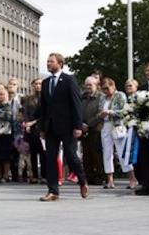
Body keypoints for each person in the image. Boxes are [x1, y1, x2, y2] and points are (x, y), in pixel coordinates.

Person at [31, 53, 89, 201]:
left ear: (60, 63)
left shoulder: (69, 80)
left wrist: (78, 126)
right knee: (50, 158)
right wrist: (42, 128)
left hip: (68, 127)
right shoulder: (45, 83)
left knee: (71, 156)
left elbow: (76, 104)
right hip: (50, 127)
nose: (48, 64)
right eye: (47, 61)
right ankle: (53, 191)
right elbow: (43, 107)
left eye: (51, 61)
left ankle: (82, 181)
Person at [98, 77, 135, 189]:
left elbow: (124, 111)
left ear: (113, 85)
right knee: (107, 153)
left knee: (122, 152)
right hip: (105, 126)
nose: (105, 91)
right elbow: (99, 111)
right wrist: (101, 115)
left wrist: (110, 112)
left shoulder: (120, 95)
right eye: (103, 89)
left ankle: (132, 178)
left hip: (117, 126)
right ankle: (110, 180)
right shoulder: (102, 98)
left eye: (107, 88)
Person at [0, 84, 17, 183]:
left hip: (5, 134)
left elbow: (10, 121)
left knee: (5, 156)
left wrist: (0, 131)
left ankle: (5, 175)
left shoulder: (9, 107)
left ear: (6, 95)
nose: (0, 96)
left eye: (2, 94)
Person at [80, 76, 104, 185]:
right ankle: (88, 176)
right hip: (84, 130)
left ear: (96, 85)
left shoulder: (101, 97)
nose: (88, 87)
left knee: (97, 154)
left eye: (90, 84)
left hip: (96, 129)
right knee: (86, 154)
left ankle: (99, 176)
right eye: (87, 84)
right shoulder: (83, 97)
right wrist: (81, 124)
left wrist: (88, 124)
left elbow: (100, 113)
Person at [21, 78, 44, 183]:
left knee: (44, 153)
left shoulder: (46, 98)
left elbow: (45, 114)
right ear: (32, 85)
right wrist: (26, 123)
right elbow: (25, 112)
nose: (38, 85)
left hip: (41, 127)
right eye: (36, 84)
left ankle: (44, 175)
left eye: (40, 84)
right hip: (30, 129)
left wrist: (33, 122)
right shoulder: (27, 99)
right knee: (33, 153)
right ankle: (34, 175)